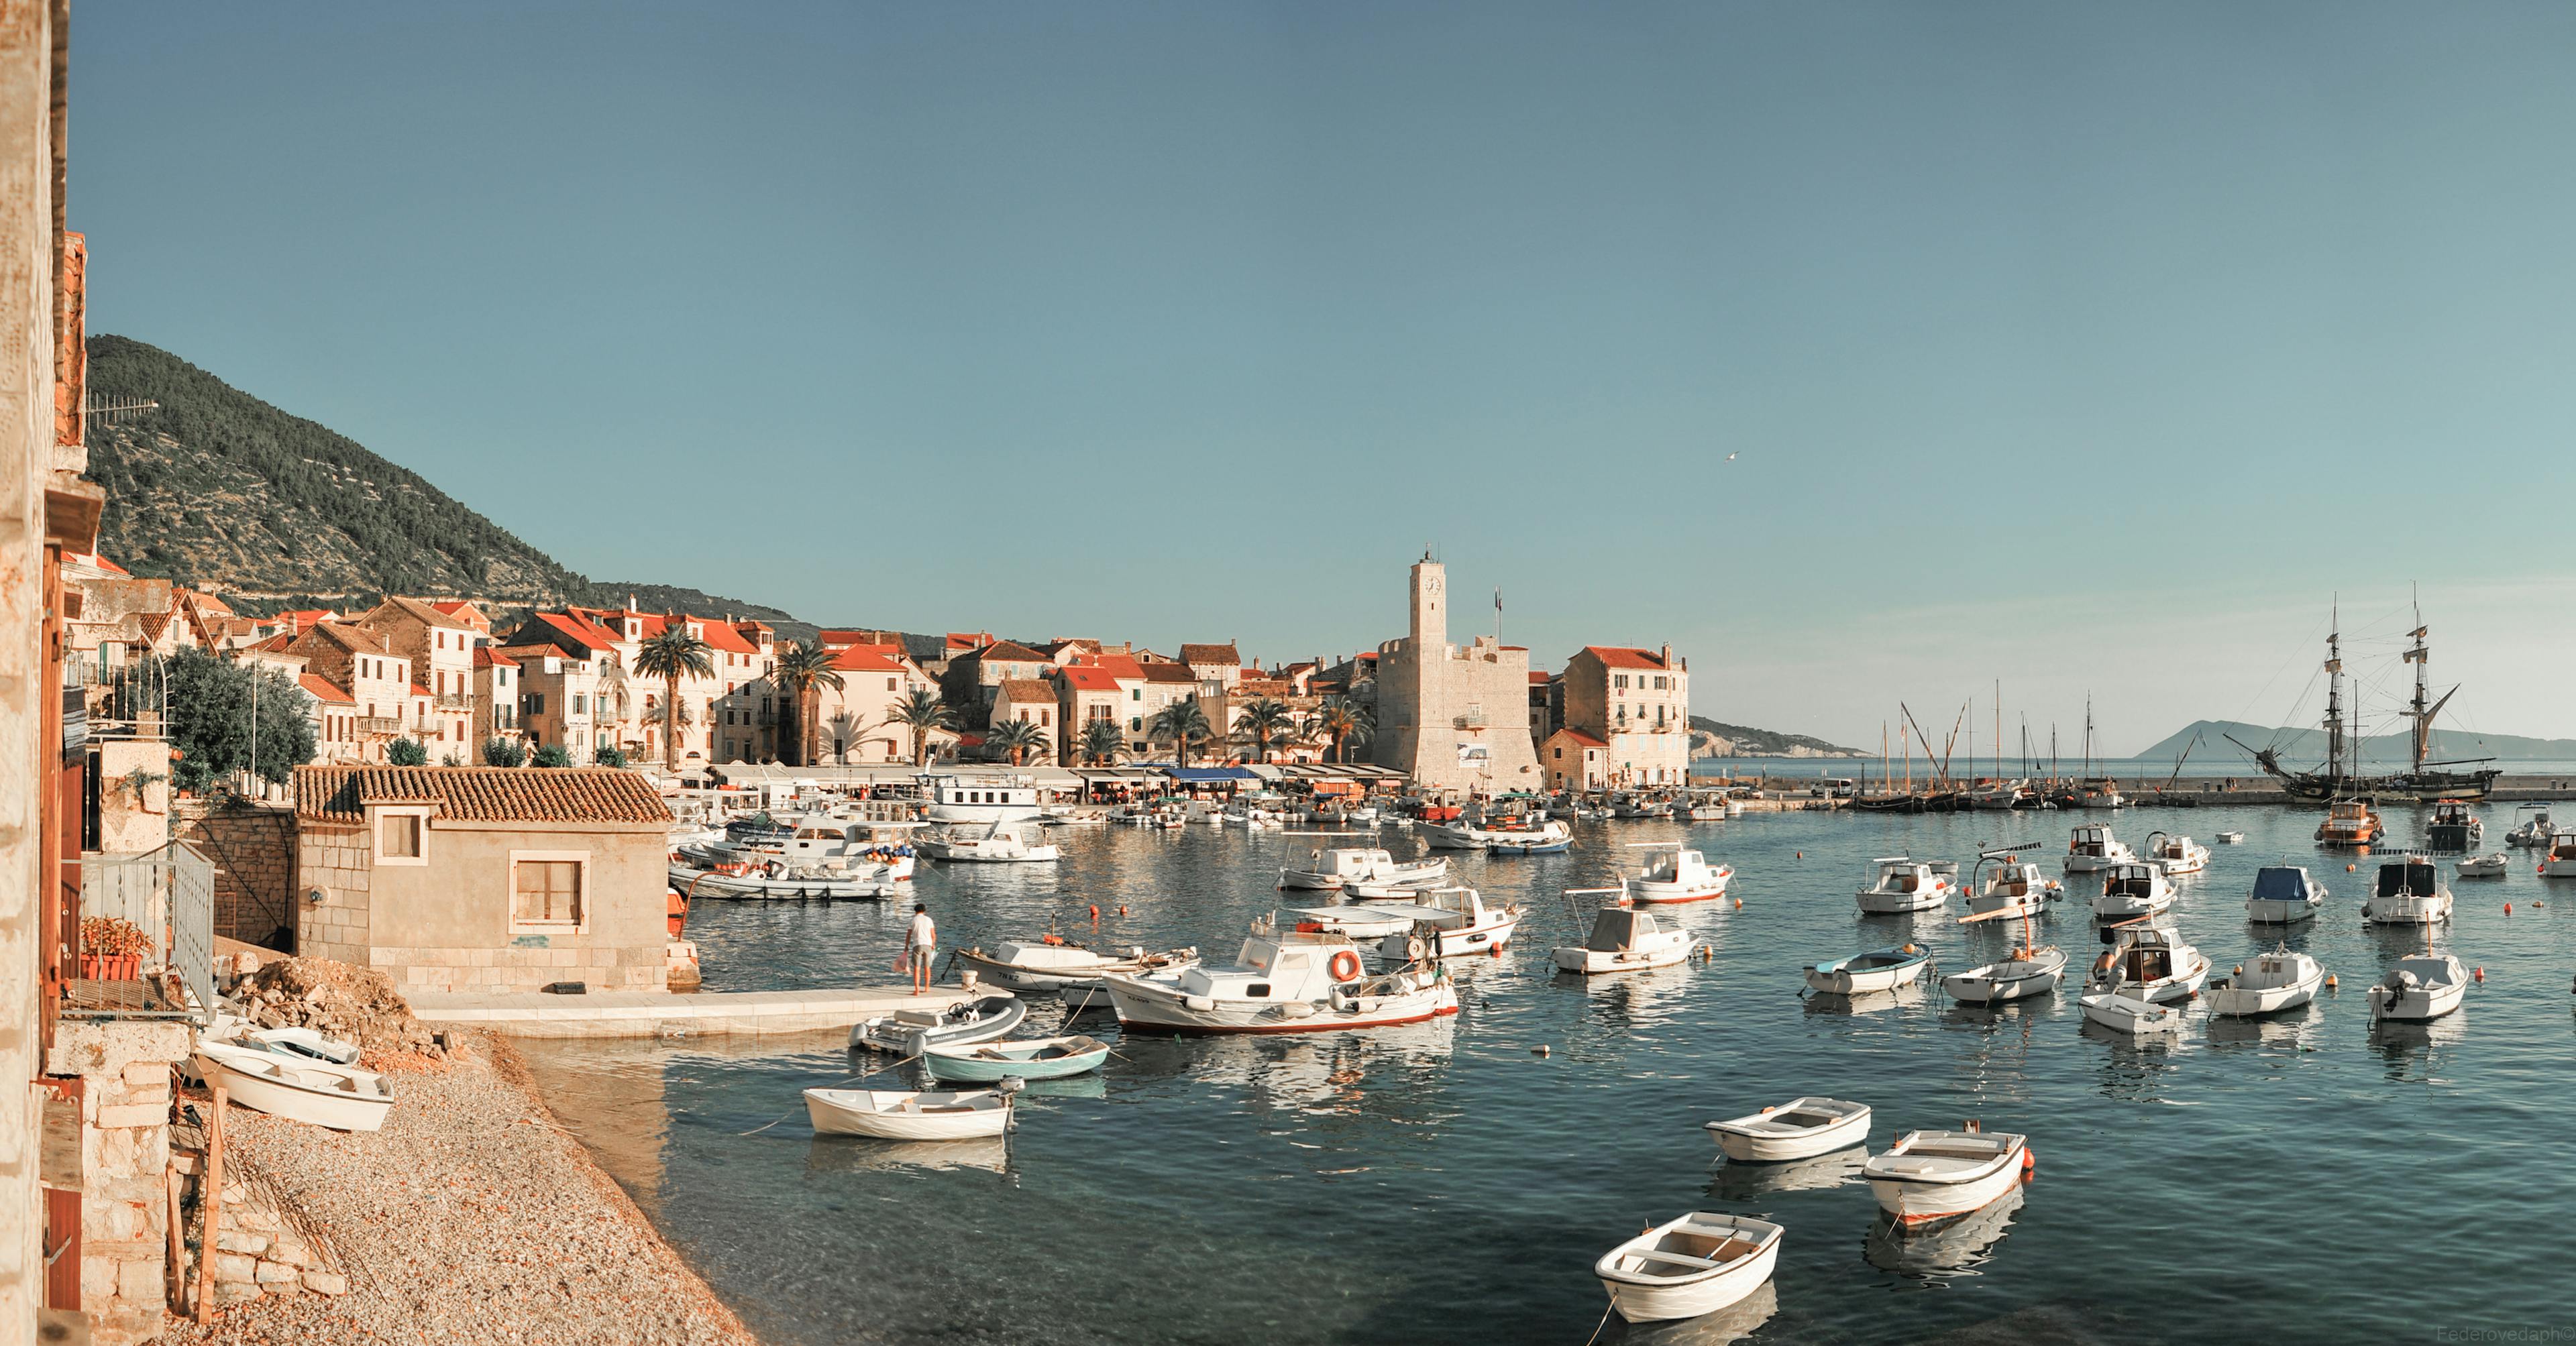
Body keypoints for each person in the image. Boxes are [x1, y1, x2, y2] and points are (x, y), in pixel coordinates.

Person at [906, 903, 936, 995]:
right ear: (924, 911)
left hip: (917, 945)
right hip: (928, 945)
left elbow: (908, 935)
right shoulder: (929, 920)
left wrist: (906, 946)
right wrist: (933, 944)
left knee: (917, 968)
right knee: (927, 968)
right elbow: (933, 935)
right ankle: (927, 988)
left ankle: (917, 990)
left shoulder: (913, 920)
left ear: (915, 911)